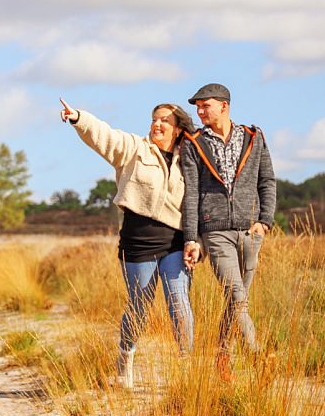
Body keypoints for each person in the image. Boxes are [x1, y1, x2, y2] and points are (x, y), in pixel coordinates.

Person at [59, 97, 197, 389]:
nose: (157, 124)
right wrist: (79, 118)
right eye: (154, 118)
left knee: (179, 301)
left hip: (176, 242)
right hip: (138, 243)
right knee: (139, 306)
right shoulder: (135, 148)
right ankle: (124, 366)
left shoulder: (191, 159)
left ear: (179, 129)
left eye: (164, 120)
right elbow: (105, 137)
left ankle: (188, 372)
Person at [180, 83, 276, 383]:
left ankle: (222, 355)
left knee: (238, 301)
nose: (199, 111)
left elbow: (267, 180)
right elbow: (191, 192)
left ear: (224, 105)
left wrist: (265, 221)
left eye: (204, 105)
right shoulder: (193, 143)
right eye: (197, 106)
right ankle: (259, 356)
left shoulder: (253, 137)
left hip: (250, 231)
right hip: (215, 231)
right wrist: (192, 238)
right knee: (236, 294)